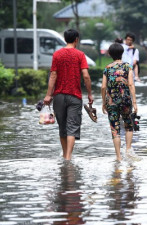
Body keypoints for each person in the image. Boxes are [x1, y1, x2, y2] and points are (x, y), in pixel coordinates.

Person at [43, 29, 94, 160]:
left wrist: (49, 95)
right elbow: (86, 76)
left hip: (59, 96)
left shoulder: (57, 55)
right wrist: (89, 93)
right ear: (76, 39)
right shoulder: (80, 55)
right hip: (75, 96)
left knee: (62, 127)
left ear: (65, 39)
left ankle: (65, 154)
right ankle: (68, 157)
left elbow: (53, 75)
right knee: (72, 127)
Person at [101, 43, 138, 161]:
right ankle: (128, 150)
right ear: (122, 53)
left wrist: (103, 102)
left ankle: (118, 157)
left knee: (115, 128)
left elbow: (103, 87)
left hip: (111, 102)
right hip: (126, 100)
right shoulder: (128, 67)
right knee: (128, 125)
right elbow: (131, 84)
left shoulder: (107, 68)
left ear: (110, 54)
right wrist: (135, 102)